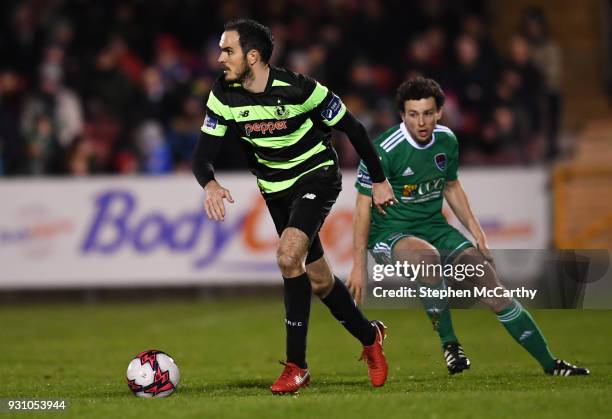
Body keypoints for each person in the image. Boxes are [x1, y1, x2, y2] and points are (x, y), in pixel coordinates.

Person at [192, 19, 397, 394]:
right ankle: (370, 338)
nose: (220, 58)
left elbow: (355, 129)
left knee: (288, 257)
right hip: (274, 190)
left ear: (253, 56)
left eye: (228, 50)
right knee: (319, 279)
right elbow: (202, 155)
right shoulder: (223, 95)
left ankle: (296, 366)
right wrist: (210, 183)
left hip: (316, 175)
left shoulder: (300, 88)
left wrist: (380, 180)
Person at [348, 77, 590, 377]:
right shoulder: (384, 150)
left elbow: (451, 186)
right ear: (403, 115)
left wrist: (476, 230)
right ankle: (450, 344)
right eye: (413, 114)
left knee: (495, 292)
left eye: (427, 113)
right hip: (390, 234)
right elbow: (361, 208)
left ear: (439, 113)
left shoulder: (447, 140)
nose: (421, 122)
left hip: (435, 227)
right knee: (428, 260)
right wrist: (358, 266)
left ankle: (552, 365)